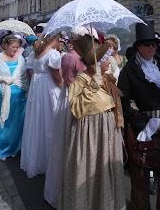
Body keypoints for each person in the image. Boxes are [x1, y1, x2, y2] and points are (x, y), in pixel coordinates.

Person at [59, 34, 125, 210]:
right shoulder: (80, 81)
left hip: (107, 132)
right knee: (88, 171)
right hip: (90, 135)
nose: (108, 63)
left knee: (105, 173)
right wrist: (93, 85)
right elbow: (77, 109)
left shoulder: (105, 78)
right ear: (96, 62)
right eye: (105, 60)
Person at [118, 22, 160, 210]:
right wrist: (148, 124)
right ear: (138, 46)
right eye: (147, 44)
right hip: (141, 129)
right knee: (141, 180)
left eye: (154, 44)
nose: (151, 47)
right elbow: (125, 103)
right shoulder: (128, 71)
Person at [44, 30, 86, 208]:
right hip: (76, 98)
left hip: (66, 94)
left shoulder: (66, 56)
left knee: (62, 140)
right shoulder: (79, 59)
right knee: (72, 140)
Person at [20, 35, 62, 178]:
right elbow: (56, 76)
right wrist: (63, 88)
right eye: (59, 39)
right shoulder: (52, 54)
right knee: (51, 119)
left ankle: (36, 158)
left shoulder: (35, 53)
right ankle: (49, 159)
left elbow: (30, 72)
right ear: (54, 40)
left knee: (37, 121)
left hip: (37, 87)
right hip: (48, 87)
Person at [0, 34, 28, 161]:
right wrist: (3, 79)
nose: (15, 49)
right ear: (5, 46)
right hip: (3, 95)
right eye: (13, 47)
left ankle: (15, 148)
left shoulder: (20, 58)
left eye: (17, 47)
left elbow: (24, 75)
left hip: (20, 96)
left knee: (17, 123)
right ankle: (3, 150)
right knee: (4, 123)